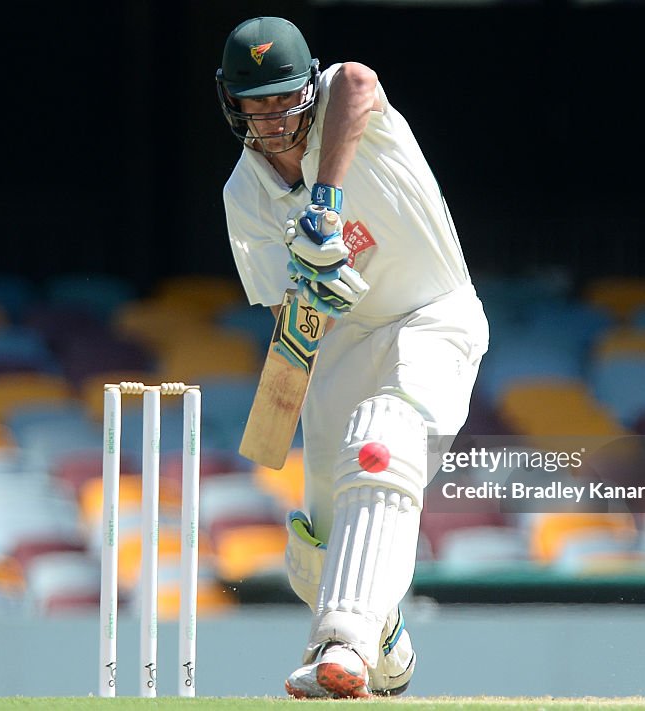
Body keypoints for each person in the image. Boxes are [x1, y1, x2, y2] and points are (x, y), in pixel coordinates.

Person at [215, 16, 490, 699]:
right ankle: (387, 644)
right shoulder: (241, 196)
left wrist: (325, 205)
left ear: (309, 89)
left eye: (285, 99)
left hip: (433, 315)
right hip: (340, 344)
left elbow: (358, 81)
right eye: (258, 103)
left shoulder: (345, 95)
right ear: (233, 103)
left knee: (381, 441)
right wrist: (310, 286)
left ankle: (343, 645)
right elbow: (288, 315)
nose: (274, 119)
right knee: (316, 549)